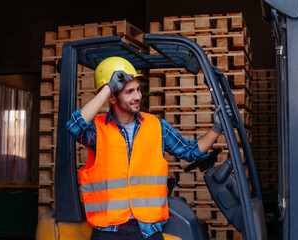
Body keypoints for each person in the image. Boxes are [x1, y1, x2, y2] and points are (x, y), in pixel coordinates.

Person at [66, 56, 224, 240]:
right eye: (129, 91)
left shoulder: (157, 126)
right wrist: (109, 87)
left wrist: (216, 129)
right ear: (112, 98)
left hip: (148, 231)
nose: (138, 96)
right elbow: (73, 126)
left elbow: (190, 152)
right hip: (109, 232)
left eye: (138, 90)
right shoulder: (97, 130)